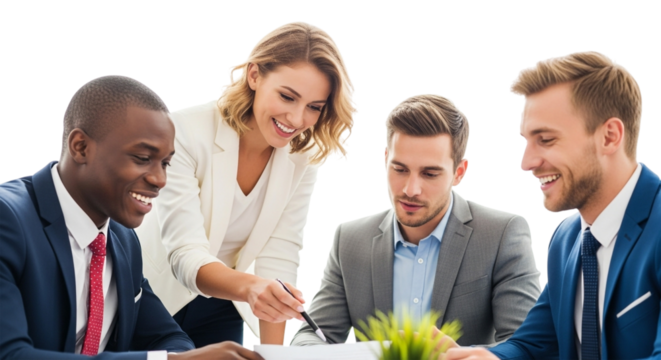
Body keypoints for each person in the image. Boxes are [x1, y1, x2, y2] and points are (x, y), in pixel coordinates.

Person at [0, 74, 263, 359]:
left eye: (165, 163)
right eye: (142, 158)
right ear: (81, 147)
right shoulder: (7, 219)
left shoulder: (122, 240)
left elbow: (168, 337)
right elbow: (11, 355)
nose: (160, 179)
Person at [135, 19, 358, 346]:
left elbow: (280, 255)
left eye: (314, 107)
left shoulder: (302, 156)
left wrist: (274, 353)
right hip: (153, 295)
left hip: (223, 301)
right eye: (287, 96)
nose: (296, 119)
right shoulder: (183, 131)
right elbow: (185, 254)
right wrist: (251, 288)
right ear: (254, 75)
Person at [289, 91, 541, 347]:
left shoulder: (501, 234)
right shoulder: (350, 239)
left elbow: (527, 345)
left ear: (459, 173)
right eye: (400, 169)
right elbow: (312, 335)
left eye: (429, 174)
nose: (411, 189)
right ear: (386, 159)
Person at [446, 50, 654, 360]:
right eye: (525, 141)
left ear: (609, 137)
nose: (526, 163)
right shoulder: (568, 239)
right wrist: (489, 358)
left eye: (546, 139)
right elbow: (534, 345)